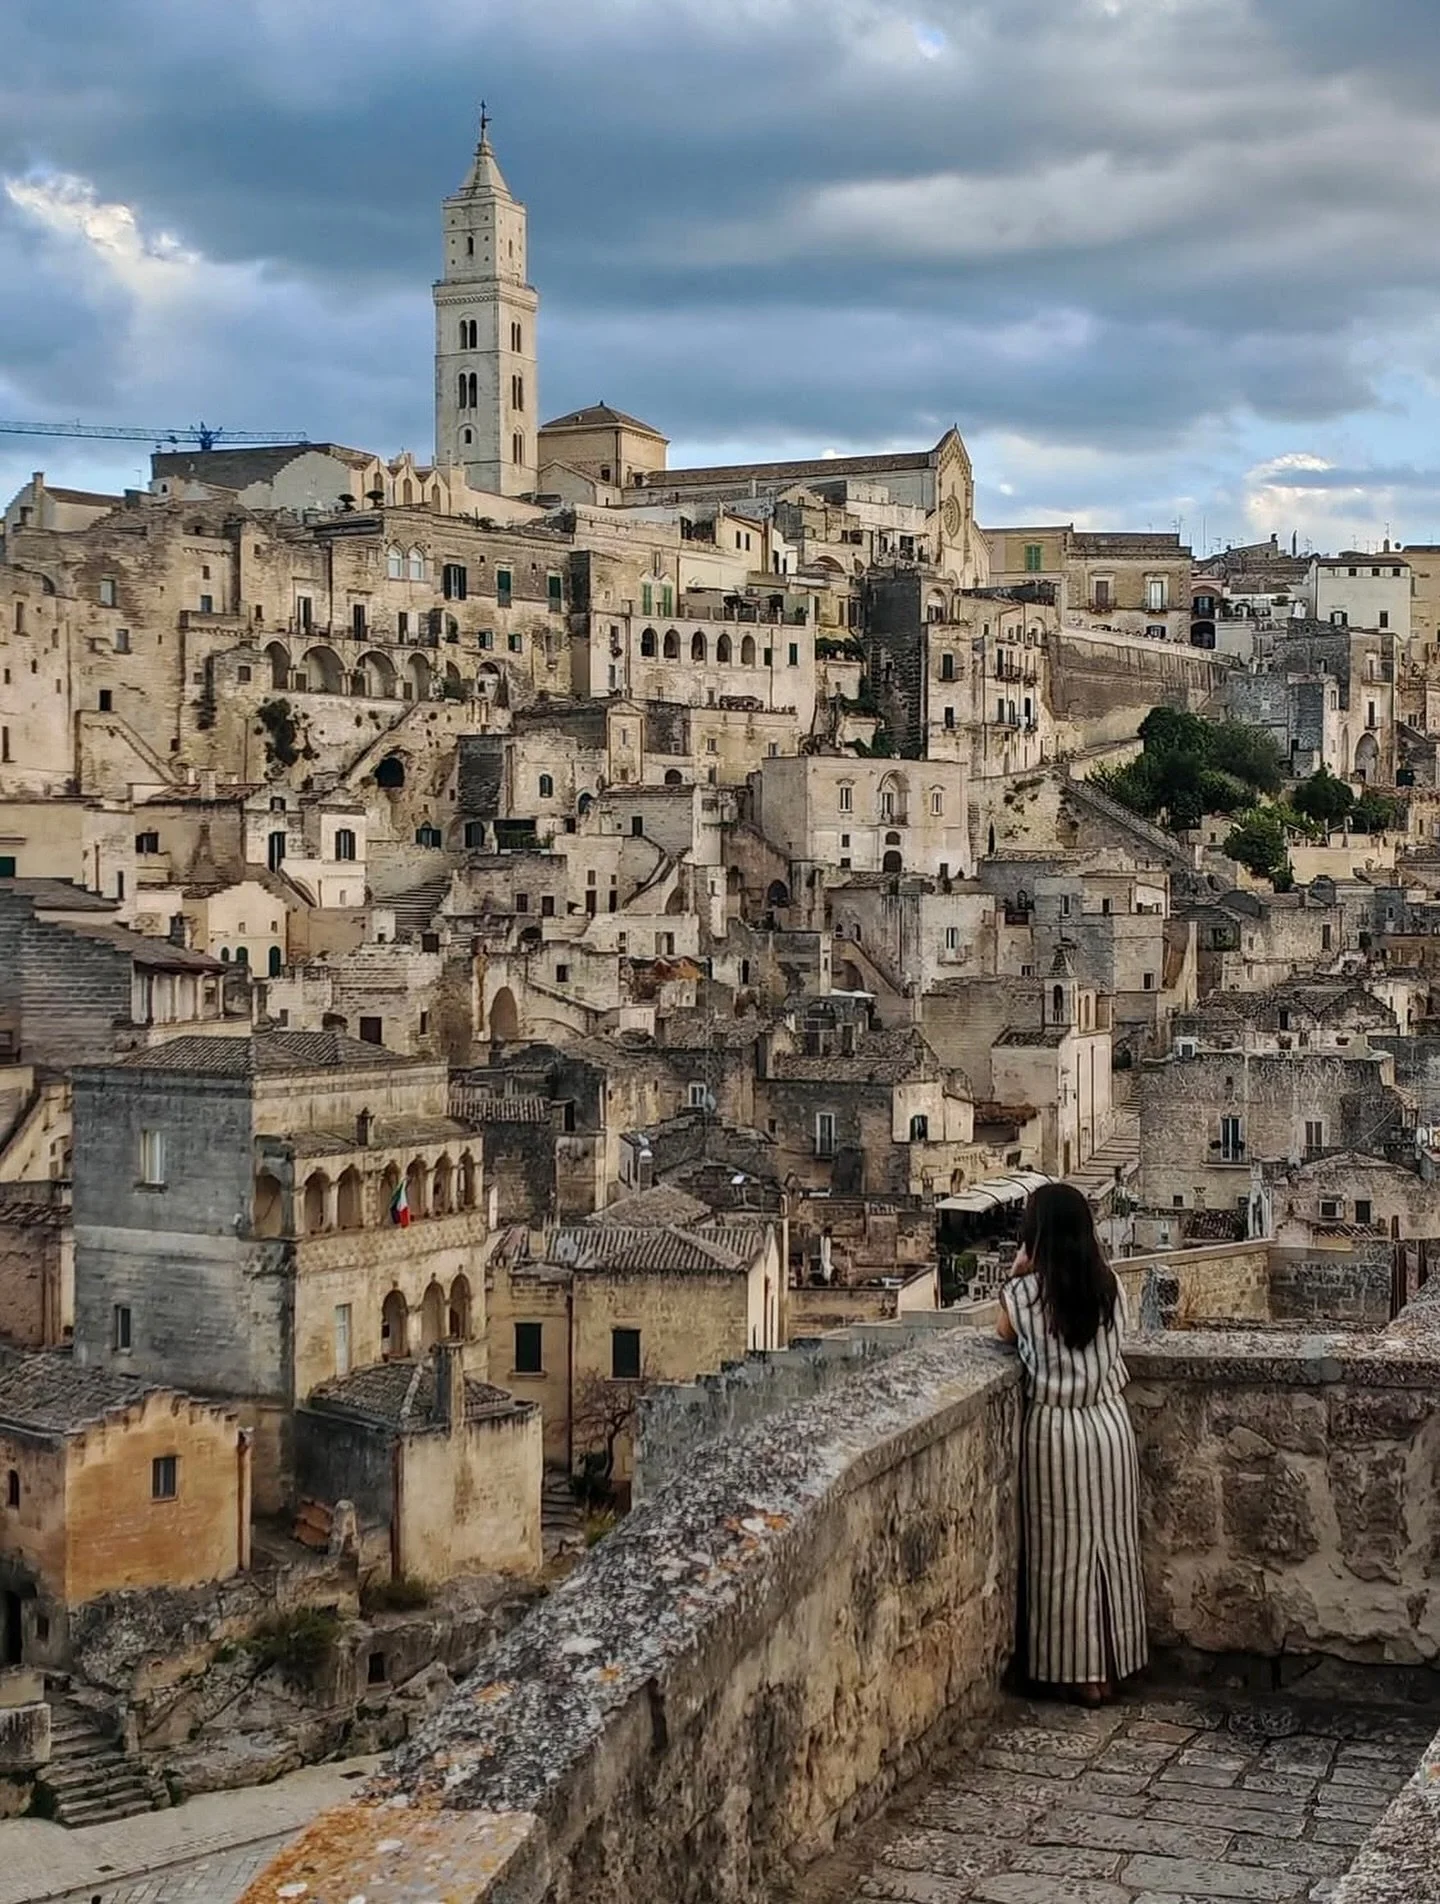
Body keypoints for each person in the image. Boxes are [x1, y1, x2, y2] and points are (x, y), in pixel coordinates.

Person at [996, 1182, 1147, 1704]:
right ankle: (1114, 1660)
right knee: (1113, 1547)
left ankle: (1077, 1672)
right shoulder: (1111, 1287)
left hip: (1056, 1432)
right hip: (1110, 1427)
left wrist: (1019, 1272)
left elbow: (1001, 1334)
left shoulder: (1025, 1297)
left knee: (1062, 1555)